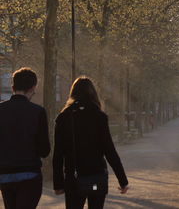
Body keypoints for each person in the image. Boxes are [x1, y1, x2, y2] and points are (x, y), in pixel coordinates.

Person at [52, 76, 129, 209]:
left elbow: (58, 154)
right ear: (93, 94)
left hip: (73, 180)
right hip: (96, 178)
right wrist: (122, 181)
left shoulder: (63, 117)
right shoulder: (99, 117)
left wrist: (58, 184)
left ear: (73, 93)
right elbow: (109, 151)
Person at [0, 67, 50, 209]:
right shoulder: (38, 112)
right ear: (33, 87)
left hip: (5, 174)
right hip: (30, 174)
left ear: (13, 86)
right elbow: (44, 150)